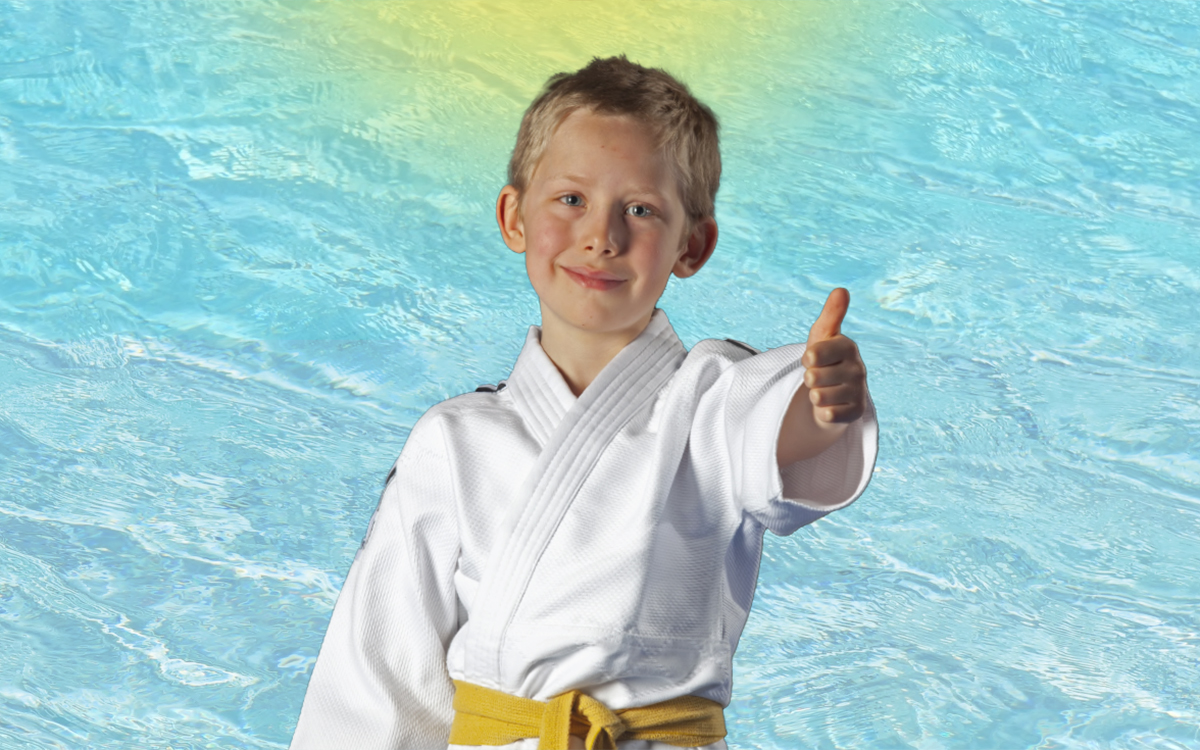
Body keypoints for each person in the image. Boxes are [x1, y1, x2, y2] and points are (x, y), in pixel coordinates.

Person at [290, 55, 878, 750]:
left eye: (641, 210)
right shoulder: (453, 440)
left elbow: (770, 426)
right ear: (513, 217)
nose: (603, 236)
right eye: (571, 200)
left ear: (692, 244)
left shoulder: (708, 402)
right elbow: (380, 669)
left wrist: (821, 404)